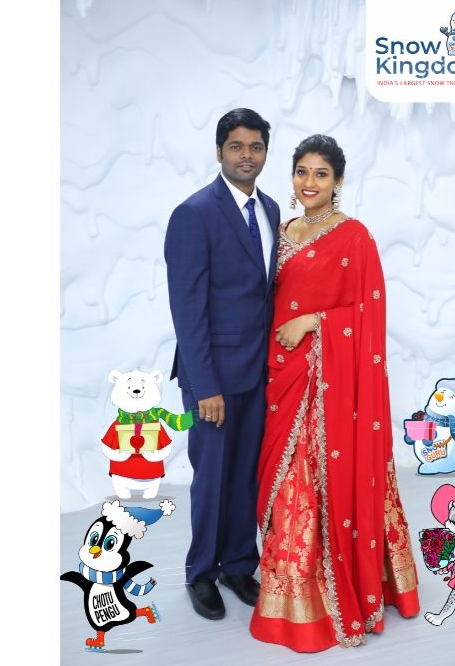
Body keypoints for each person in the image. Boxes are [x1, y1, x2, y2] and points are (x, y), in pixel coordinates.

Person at [249, 134, 420, 651]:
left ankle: (325, 597)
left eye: (321, 174)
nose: (310, 182)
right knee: (283, 486)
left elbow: (368, 313)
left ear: (338, 180)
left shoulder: (354, 237)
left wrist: (314, 321)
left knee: (310, 483)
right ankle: (289, 593)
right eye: (302, 171)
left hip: (327, 385)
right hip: (281, 374)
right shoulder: (281, 232)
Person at [163, 108, 281, 620]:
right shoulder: (194, 213)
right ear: (219, 152)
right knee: (211, 477)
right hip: (211, 376)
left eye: (255, 147)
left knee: (245, 475)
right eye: (236, 146)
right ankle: (201, 573)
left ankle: (237, 564)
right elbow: (187, 309)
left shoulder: (271, 209)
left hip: (256, 372)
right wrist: (205, 385)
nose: (246, 155)